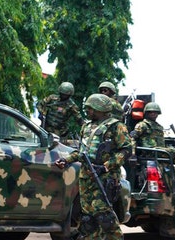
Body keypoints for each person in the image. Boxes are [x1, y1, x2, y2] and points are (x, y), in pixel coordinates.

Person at [54, 93, 132, 240]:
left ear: (100, 108)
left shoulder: (116, 126)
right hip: (86, 177)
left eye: (90, 108)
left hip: (104, 177)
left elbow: (127, 151)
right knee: (87, 218)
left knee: (103, 215)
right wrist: (67, 160)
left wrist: (106, 166)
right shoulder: (87, 127)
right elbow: (82, 152)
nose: (88, 111)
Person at [129, 102, 175, 186]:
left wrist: (174, 141)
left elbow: (161, 141)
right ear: (147, 113)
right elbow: (132, 138)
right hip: (150, 151)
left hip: (160, 150)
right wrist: (133, 154)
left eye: (155, 112)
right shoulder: (142, 125)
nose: (153, 114)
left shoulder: (159, 127)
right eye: (150, 112)